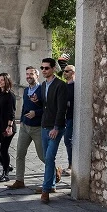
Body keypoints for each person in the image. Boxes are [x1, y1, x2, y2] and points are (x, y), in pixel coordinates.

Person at [7, 66, 45, 190]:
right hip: (25, 126)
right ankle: (19, 180)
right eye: (27, 74)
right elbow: (24, 107)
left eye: (31, 74)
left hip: (37, 127)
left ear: (37, 76)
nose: (28, 76)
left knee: (42, 155)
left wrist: (36, 113)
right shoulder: (25, 91)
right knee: (19, 154)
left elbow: (47, 108)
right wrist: (21, 121)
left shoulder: (42, 90)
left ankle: (55, 171)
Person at [38, 57, 68, 204]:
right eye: (42, 68)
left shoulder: (60, 85)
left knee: (49, 157)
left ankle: (45, 190)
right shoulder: (43, 85)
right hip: (44, 125)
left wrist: (56, 128)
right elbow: (45, 106)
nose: (44, 70)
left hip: (56, 127)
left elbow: (62, 109)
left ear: (53, 69)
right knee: (46, 157)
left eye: (46, 68)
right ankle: (53, 183)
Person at [59, 65, 75, 177]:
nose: (64, 73)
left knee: (68, 140)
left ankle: (71, 165)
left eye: (67, 71)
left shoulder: (76, 86)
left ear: (73, 72)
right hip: (63, 118)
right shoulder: (64, 86)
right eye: (64, 71)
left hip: (72, 117)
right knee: (67, 141)